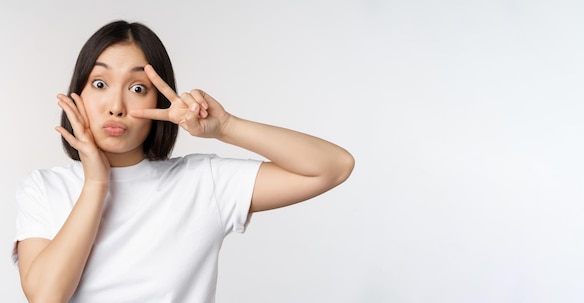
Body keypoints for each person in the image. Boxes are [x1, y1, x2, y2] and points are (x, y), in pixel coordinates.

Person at [13, 20, 354, 303]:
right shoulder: (44, 188)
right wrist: (97, 184)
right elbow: (46, 296)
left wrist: (226, 127)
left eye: (137, 88)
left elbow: (333, 166)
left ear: (159, 100)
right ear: (77, 94)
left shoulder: (201, 182)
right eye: (100, 83)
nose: (115, 106)